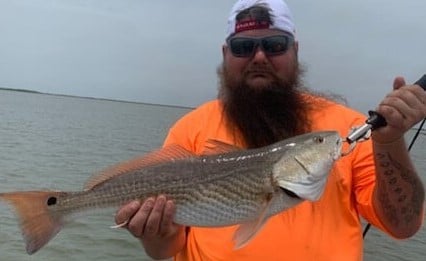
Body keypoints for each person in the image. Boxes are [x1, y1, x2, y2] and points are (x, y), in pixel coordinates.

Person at [115, 0, 426, 260]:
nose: (259, 56)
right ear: (226, 55)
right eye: (243, 47)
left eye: (275, 45)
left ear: (295, 51)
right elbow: (166, 249)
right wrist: (154, 234)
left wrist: (391, 141)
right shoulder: (191, 129)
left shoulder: (346, 127)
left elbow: (403, 225)